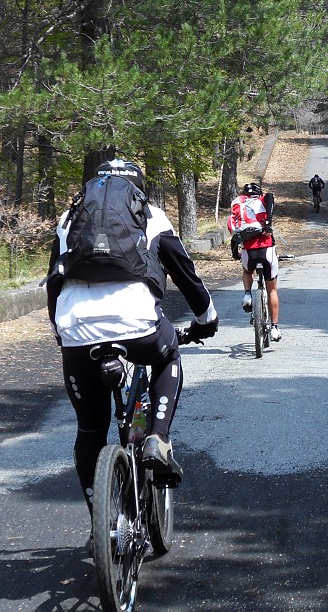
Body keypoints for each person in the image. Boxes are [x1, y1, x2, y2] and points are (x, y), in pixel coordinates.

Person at [46, 158, 218, 529]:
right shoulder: (151, 215)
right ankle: (157, 437)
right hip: (138, 324)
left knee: (90, 430)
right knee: (168, 356)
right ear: (137, 188)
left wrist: (63, 336)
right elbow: (185, 274)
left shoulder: (69, 217)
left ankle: (101, 523)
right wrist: (207, 319)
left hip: (76, 330)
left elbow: (54, 283)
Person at [228, 182, 281, 342]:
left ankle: (247, 294)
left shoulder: (238, 204)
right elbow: (270, 197)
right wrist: (269, 221)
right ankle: (274, 328)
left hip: (248, 252)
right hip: (267, 250)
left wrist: (235, 253)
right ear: (259, 193)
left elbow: (234, 232)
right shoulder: (263, 200)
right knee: (272, 290)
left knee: (246, 271)